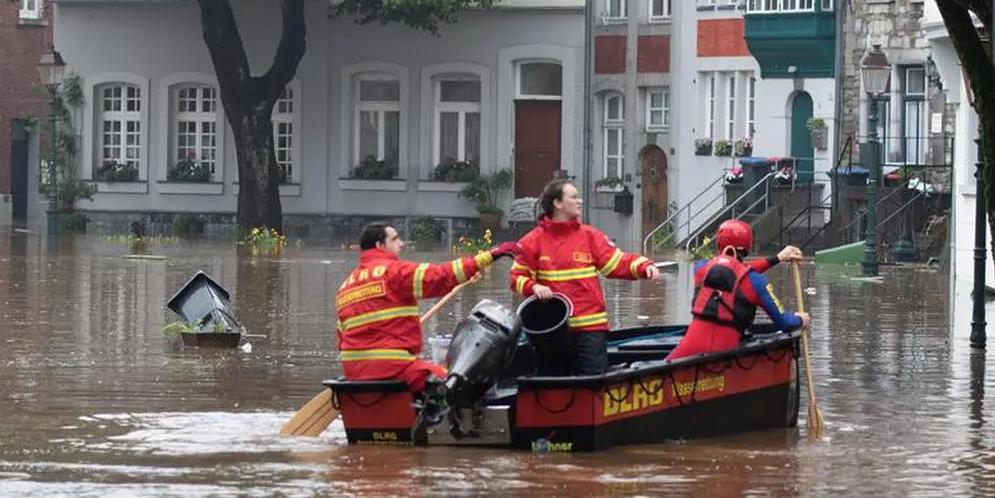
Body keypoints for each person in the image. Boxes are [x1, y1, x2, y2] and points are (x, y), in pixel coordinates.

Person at [336, 223, 518, 392]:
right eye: (395, 239)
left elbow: (341, 337)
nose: (401, 244)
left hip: (353, 371)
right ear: (380, 245)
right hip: (391, 367)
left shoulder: (345, 287)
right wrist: (490, 255)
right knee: (454, 386)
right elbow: (440, 276)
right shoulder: (393, 272)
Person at [510, 179, 660, 376]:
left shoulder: (590, 236)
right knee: (554, 382)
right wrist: (534, 287)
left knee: (593, 382)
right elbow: (516, 278)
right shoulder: (532, 242)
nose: (579, 201)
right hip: (553, 332)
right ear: (557, 203)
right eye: (573, 197)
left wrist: (642, 266)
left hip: (590, 328)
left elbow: (615, 263)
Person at [666, 219, 809, 361]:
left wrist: (778, 258)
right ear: (747, 247)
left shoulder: (701, 268)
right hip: (724, 354)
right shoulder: (757, 282)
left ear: (718, 244)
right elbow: (785, 324)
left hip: (687, 349)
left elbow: (735, 269)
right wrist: (800, 319)